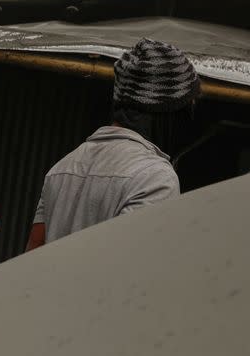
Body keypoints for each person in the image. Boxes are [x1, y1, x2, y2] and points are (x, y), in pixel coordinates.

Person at [26, 38, 200, 251]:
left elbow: (32, 252)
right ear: (169, 110)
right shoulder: (156, 179)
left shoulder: (62, 168)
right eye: (187, 108)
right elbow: (134, 268)